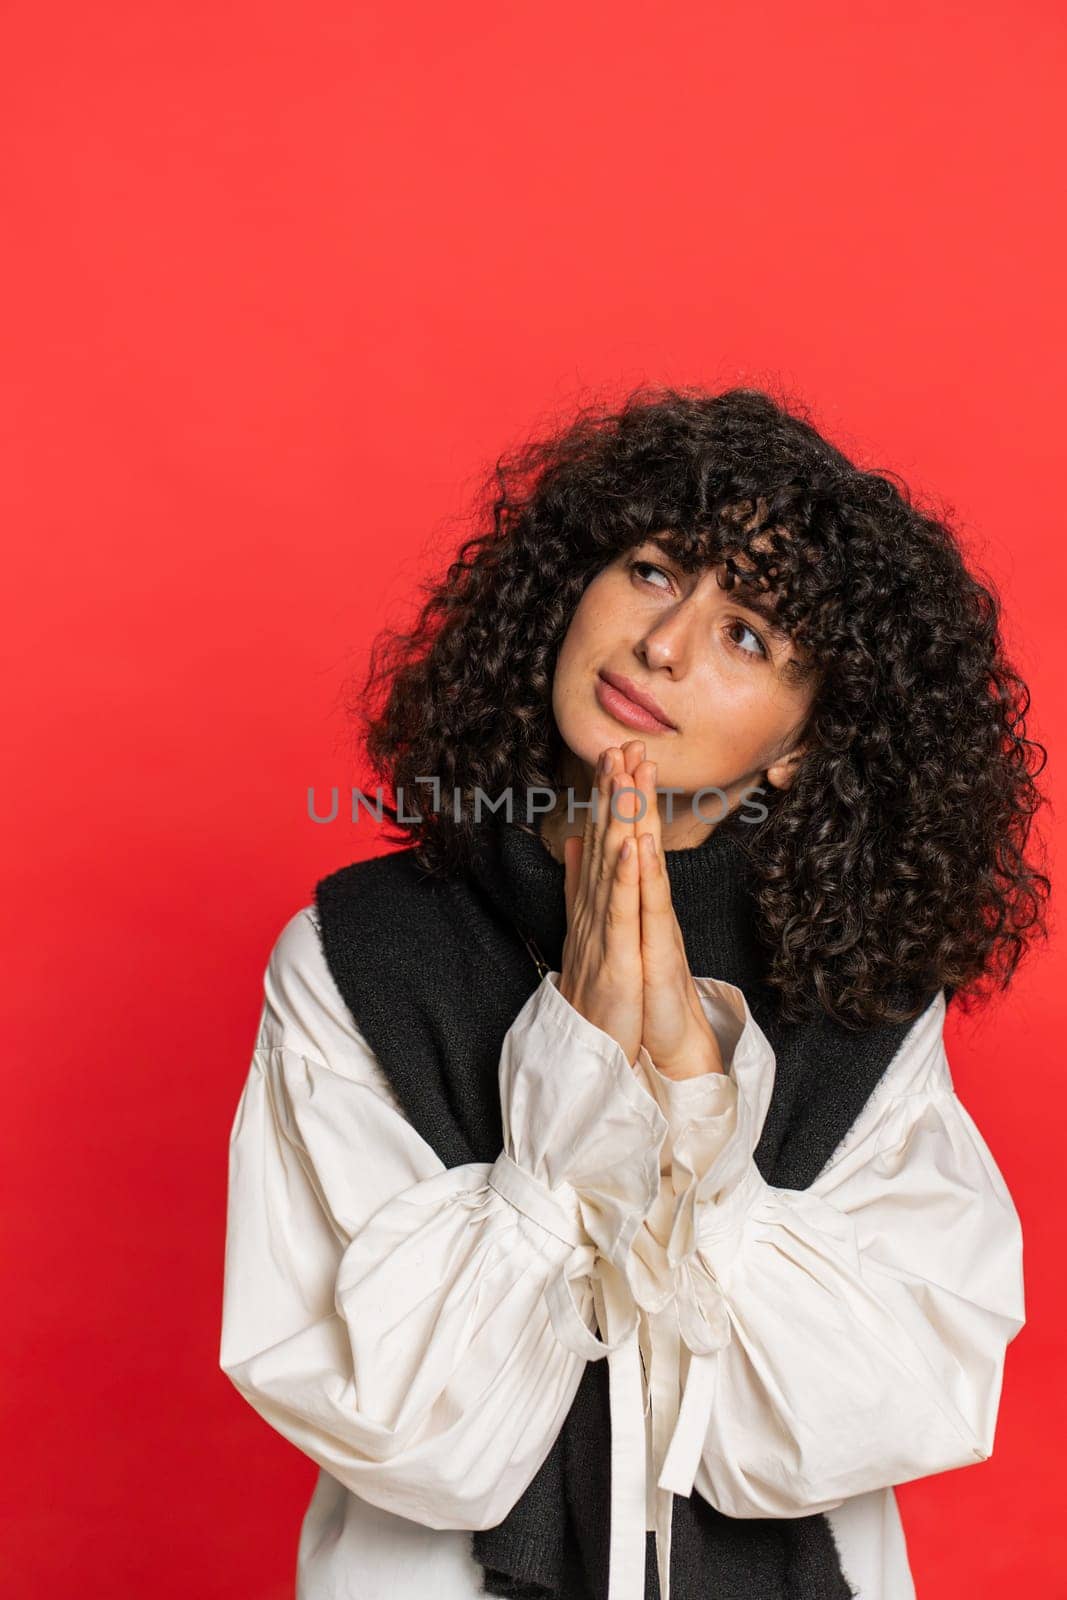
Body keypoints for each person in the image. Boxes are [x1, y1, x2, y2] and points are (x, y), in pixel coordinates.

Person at [220, 385, 1047, 1600]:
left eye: (748, 634)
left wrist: (700, 1118)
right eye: (655, 570)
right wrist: (569, 1085)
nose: (665, 643)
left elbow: (888, 1397)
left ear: (805, 740)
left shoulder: (864, 996)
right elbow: (405, 1428)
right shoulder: (352, 955)